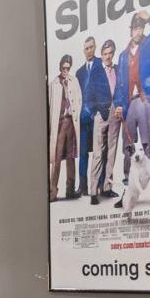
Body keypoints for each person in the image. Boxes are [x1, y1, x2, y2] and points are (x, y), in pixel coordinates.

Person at [113, 11, 150, 206]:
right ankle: (127, 191)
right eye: (135, 28)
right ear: (130, 30)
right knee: (128, 147)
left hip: (147, 100)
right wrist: (119, 105)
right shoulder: (122, 56)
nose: (138, 31)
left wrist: (149, 17)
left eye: (141, 27)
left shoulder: (149, 43)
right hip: (129, 104)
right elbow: (120, 84)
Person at [75, 36, 109, 199]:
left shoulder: (100, 65)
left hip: (96, 114)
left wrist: (101, 111)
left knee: (99, 151)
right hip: (83, 117)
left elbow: (105, 88)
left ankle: (100, 185)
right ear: (83, 50)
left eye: (91, 47)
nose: (89, 51)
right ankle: (82, 186)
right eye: (86, 48)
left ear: (95, 48)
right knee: (83, 152)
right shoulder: (79, 72)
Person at [90, 39, 121, 204]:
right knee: (98, 153)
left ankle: (107, 188)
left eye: (110, 53)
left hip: (115, 115)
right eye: (105, 54)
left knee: (111, 151)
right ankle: (94, 191)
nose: (107, 57)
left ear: (113, 54)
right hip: (101, 115)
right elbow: (89, 94)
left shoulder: (117, 69)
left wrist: (120, 107)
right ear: (101, 55)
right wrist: (97, 112)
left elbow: (121, 89)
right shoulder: (95, 72)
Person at [48, 53, 81, 201]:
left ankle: (70, 190)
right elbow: (49, 106)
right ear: (60, 67)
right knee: (55, 158)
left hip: (71, 123)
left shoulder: (74, 82)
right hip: (59, 123)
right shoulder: (54, 84)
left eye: (68, 68)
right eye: (63, 68)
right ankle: (52, 191)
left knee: (70, 157)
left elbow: (79, 101)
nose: (65, 71)